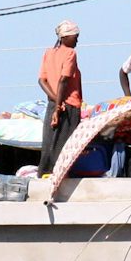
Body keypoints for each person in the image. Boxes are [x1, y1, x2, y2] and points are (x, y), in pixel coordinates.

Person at [38, 20, 84, 174]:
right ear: (64, 37)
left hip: (54, 103)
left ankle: (45, 174)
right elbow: (63, 80)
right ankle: (61, 178)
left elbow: (42, 81)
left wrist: (54, 100)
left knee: (49, 144)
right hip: (68, 106)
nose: (77, 39)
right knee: (65, 146)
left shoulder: (48, 53)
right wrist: (59, 107)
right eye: (75, 36)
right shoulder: (70, 53)